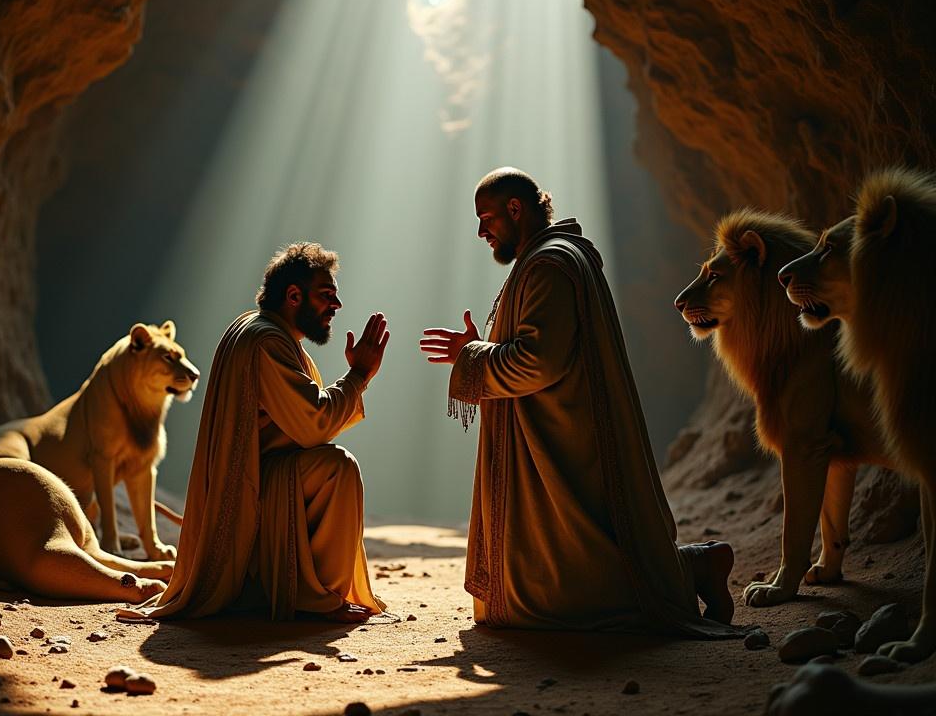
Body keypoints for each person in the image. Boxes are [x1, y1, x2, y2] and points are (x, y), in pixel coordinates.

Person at [419, 167, 740, 634]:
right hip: (561, 428)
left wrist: (471, 356)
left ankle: (691, 569)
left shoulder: (548, 265)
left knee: (563, 596)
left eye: (487, 218)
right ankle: (691, 566)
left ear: (516, 209)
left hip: (561, 436)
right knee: (579, 562)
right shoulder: (550, 258)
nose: (481, 231)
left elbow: (538, 363)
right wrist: (484, 344)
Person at [120, 243, 389, 622]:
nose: (337, 306)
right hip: (252, 496)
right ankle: (317, 599)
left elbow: (309, 421)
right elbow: (314, 426)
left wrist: (353, 384)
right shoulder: (266, 341)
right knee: (337, 467)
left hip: (261, 485)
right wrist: (358, 375)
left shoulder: (262, 331)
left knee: (331, 463)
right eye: (327, 295)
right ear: (294, 296)